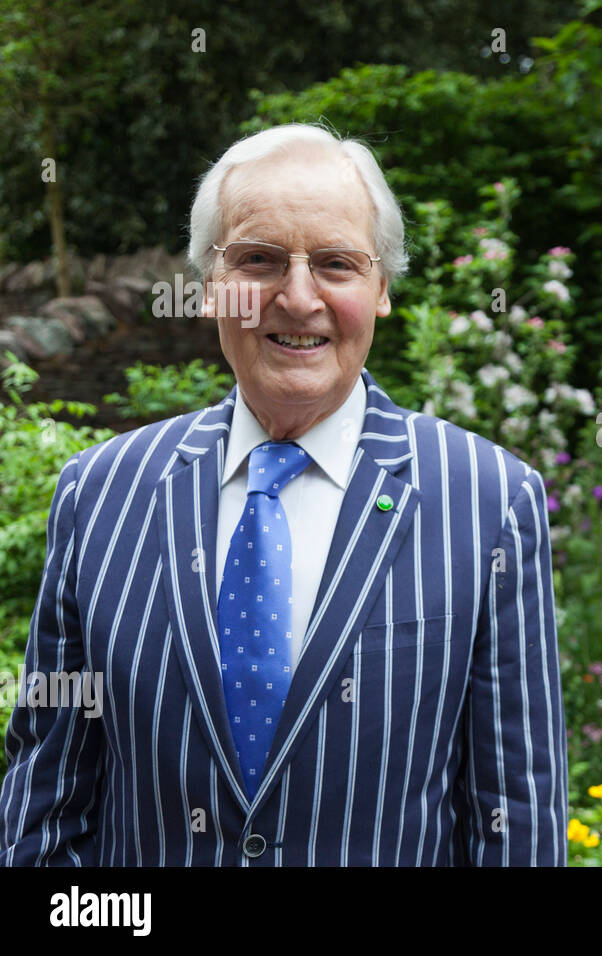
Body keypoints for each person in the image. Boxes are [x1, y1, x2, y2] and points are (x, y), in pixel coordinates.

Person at [0, 124, 567, 866]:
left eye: (336, 264)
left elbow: (514, 817)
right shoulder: (100, 496)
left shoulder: (489, 502)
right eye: (259, 260)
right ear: (210, 286)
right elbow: (45, 803)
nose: (298, 299)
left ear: (381, 290)